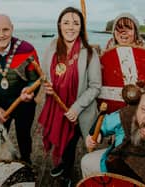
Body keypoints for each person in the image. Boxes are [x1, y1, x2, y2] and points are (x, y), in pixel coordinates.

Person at [38, 6, 102, 186]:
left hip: (81, 109)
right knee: (64, 143)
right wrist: (47, 87)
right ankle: (65, 169)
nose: (70, 27)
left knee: (73, 141)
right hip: (57, 107)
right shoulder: (52, 49)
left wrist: (76, 108)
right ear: (59, 25)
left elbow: (95, 87)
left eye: (75, 23)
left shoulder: (90, 54)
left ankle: (70, 173)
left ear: (81, 27)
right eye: (66, 22)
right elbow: (45, 75)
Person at [81, 83, 145, 187]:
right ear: (138, 105)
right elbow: (103, 124)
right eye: (144, 110)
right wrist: (97, 134)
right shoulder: (126, 114)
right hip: (112, 169)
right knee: (87, 162)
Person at [0, 14, 40, 164]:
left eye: (5, 29)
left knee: (23, 135)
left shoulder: (27, 49)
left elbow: (35, 80)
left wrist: (29, 92)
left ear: (12, 29)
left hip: (24, 103)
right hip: (1, 104)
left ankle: (26, 162)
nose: (1, 34)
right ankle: (0, 162)